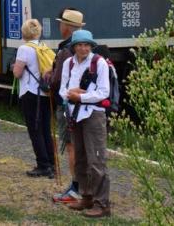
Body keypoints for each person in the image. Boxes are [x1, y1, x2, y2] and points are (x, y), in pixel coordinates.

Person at [59, 29, 111, 218]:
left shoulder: (100, 63)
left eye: (86, 45)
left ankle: (102, 204)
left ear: (91, 46)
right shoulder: (68, 63)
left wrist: (80, 96)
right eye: (79, 45)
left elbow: (103, 92)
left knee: (96, 160)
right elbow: (62, 90)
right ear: (73, 47)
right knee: (80, 158)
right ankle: (86, 196)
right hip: (74, 114)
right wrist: (71, 94)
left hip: (93, 115)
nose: (83, 48)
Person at [46, 8, 85, 203]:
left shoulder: (65, 50)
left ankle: (76, 187)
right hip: (83, 105)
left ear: (67, 28)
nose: (59, 26)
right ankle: (82, 186)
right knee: (80, 146)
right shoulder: (84, 47)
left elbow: (57, 81)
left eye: (61, 23)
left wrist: (49, 77)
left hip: (67, 104)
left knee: (71, 146)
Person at [12, 19, 55, 178]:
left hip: (30, 93)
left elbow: (17, 73)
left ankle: (43, 165)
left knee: (35, 131)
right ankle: (51, 163)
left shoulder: (24, 49)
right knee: (45, 129)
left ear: (24, 33)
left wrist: (14, 67)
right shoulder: (43, 47)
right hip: (45, 93)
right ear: (39, 32)